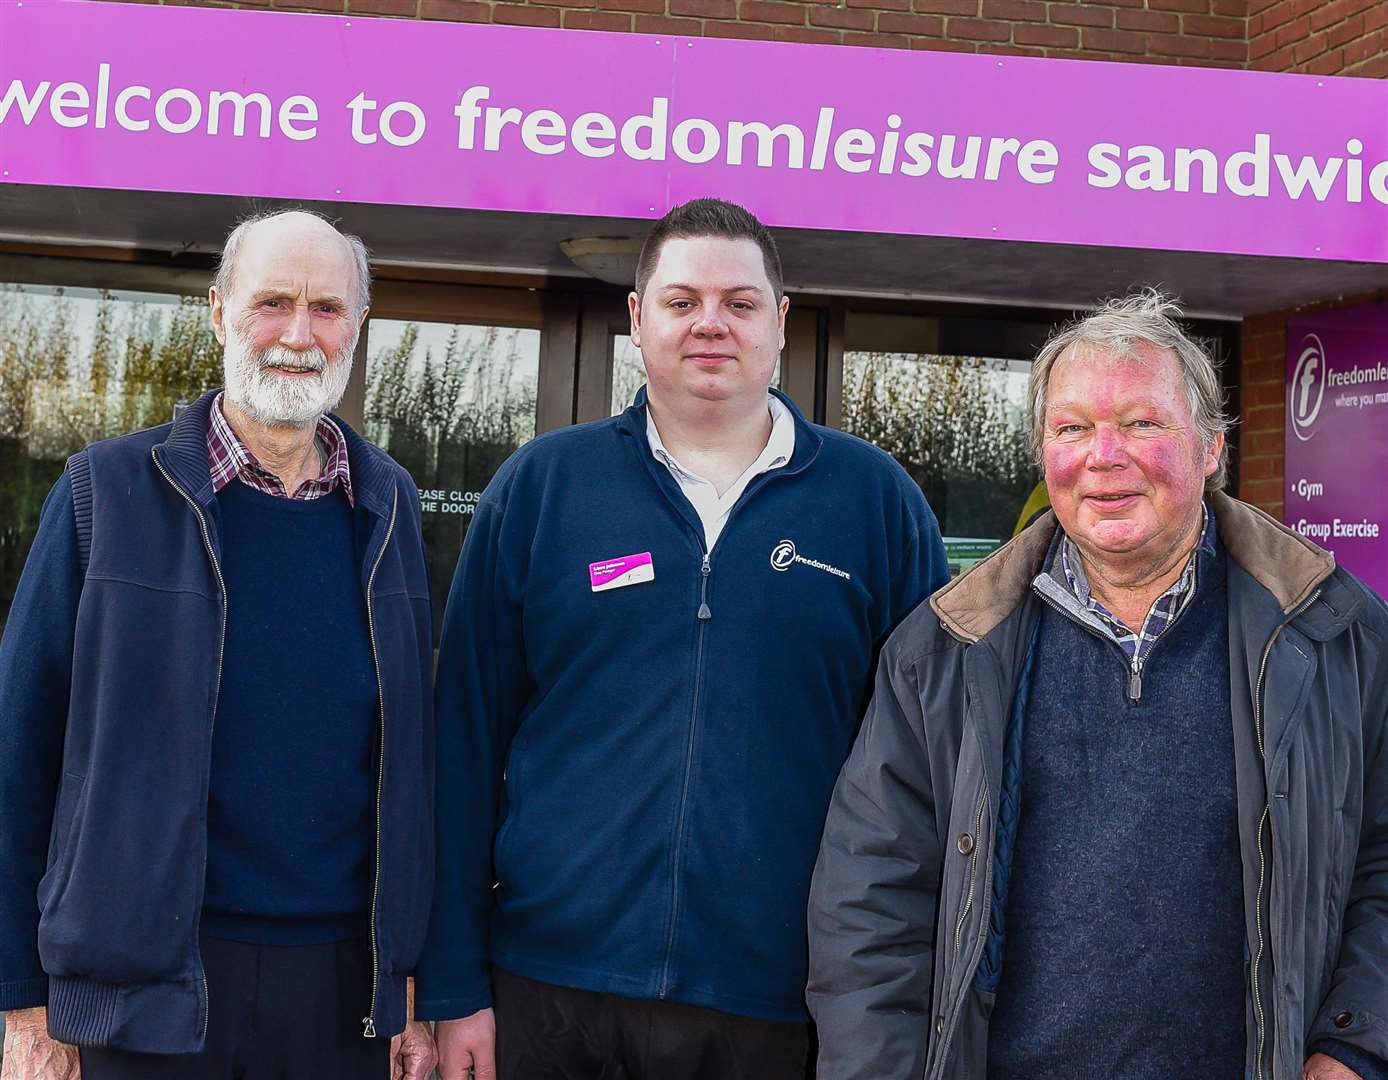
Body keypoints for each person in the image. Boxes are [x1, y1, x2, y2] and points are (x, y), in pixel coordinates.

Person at [416, 198, 949, 1080]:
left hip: (786, 1000)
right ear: (637, 319)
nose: (711, 324)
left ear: (780, 322)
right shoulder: (543, 488)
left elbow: (926, 766)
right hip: (550, 990)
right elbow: (464, 748)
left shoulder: (875, 502)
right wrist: (452, 983)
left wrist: (895, 996)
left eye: (740, 304)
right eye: (681, 301)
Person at [806, 289, 1388, 1080]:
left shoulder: (1335, 634)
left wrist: (1354, 1046)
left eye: (1142, 424)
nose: (1102, 455)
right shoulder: (944, 649)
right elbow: (869, 907)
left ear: (1211, 445)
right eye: (1072, 427)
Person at [0, 210, 438, 1080]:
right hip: (140, 991)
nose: (298, 335)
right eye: (272, 303)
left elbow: (418, 757)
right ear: (217, 313)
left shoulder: (390, 506)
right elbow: (18, 753)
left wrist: (409, 986)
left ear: (355, 326)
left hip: (341, 990)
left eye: (326, 309)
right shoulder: (104, 493)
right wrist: (19, 996)